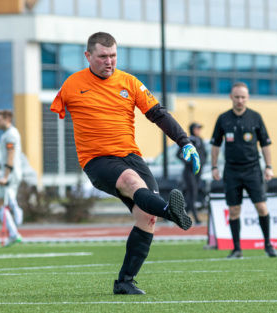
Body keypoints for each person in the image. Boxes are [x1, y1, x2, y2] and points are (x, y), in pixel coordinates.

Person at [50, 32, 200, 295]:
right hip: (97, 160)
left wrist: (184, 142)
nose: (109, 62)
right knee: (131, 182)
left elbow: (158, 114)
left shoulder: (128, 82)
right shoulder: (71, 85)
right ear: (88, 56)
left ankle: (125, 281)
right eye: (103, 56)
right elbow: (55, 120)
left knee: (147, 217)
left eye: (113, 56)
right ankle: (172, 212)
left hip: (131, 156)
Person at [211, 82, 277, 259]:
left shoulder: (255, 117)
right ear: (231, 97)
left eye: (243, 97)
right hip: (231, 171)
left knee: (262, 207)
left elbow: (265, 144)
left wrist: (269, 167)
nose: (240, 100)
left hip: (253, 169)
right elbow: (215, 145)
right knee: (234, 210)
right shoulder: (223, 118)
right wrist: (214, 166)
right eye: (237, 97)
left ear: (247, 98)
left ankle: (268, 245)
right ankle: (237, 249)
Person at [0, 110, 24, 247]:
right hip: (9, 171)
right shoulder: (7, 134)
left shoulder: (10, 134)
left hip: (10, 173)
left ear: (7, 119)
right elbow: (7, 155)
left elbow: (11, 154)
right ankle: (13, 234)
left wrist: (5, 176)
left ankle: (16, 209)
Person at [177, 122, 207, 224]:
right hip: (189, 172)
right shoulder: (188, 141)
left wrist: (203, 162)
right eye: (197, 128)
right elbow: (179, 154)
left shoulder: (200, 140)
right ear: (192, 129)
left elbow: (204, 153)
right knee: (193, 193)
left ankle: (181, 216)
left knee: (191, 194)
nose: (199, 130)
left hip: (198, 172)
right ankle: (196, 218)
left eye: (199, 128)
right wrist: (189, 162)